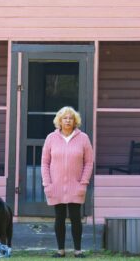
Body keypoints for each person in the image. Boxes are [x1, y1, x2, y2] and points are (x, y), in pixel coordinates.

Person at [41, 106, 94, 258]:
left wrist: (83, 182)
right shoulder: (51, 138)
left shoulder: (83, 138)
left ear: (75, 120)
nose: (68, 120)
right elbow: (44, 163)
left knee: (76, 218)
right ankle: (60, 250)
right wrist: (47, 183)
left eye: (71, 118)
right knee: (59, 218)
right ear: (59, 120)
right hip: (55, 185)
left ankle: (78, 250)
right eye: (65, 118)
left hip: (76, 185)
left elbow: (89, 162)